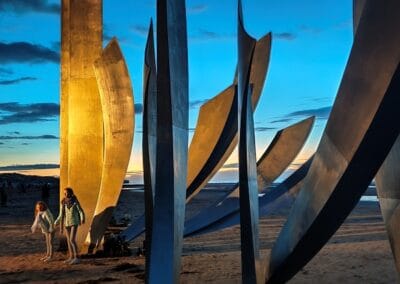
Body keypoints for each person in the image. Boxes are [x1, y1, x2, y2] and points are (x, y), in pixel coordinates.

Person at [55, 187, 85, 265]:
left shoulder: (75, 201)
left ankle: (77, 257)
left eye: (67, 192)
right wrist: (56, 222)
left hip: (74, 222)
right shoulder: (63, 202)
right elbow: (61, 215)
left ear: (71, 193)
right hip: (67, 223)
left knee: (72, 239)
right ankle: (71, 257)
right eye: (64, 193)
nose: (65, 194)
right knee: (68, 241)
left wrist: (82, 218)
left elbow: (80, 211)